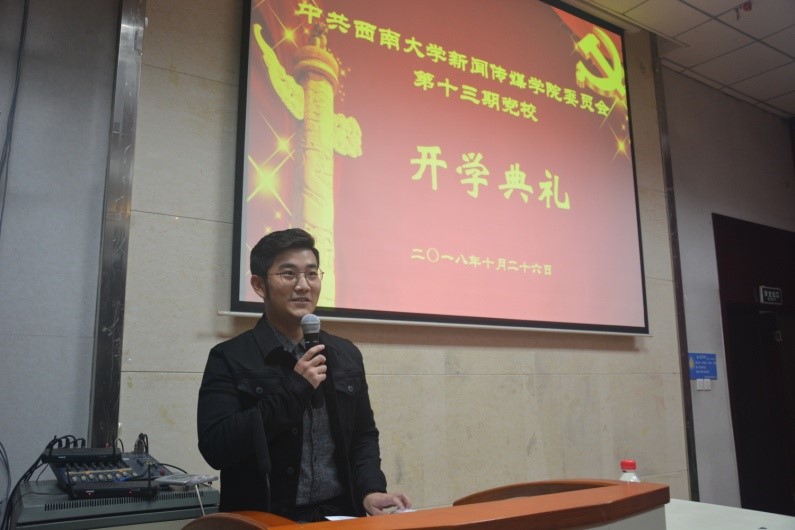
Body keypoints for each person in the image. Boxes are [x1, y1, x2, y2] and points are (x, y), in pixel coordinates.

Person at [197, 228, 411, 522]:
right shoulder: (229, 357)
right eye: (288, 274)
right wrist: (295, 390)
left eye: (312, 274)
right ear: (259, 285)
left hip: (339, 516)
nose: (303, 286)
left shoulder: (345, 354)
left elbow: (363, 436)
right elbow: (216, 447)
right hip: (267, 519)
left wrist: (370, 490)